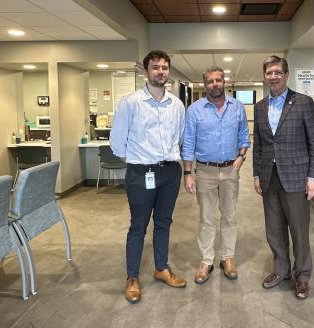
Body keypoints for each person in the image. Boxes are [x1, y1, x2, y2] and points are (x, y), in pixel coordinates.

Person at [110, 50, 186, 304]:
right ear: (146, 71)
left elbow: (181, 138)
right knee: (138, 226)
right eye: (155, 67)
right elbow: (117, 143)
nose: (161, 72)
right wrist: (139, 160)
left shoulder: (176, 104)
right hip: (141, 172)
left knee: (164, 222)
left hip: (169, 172)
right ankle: (132, 277)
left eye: (164, 67)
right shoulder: (130, 103)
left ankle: (161, 268)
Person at [253, 55, 314, 300]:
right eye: (269, 73)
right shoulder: (260, 107)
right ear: (265, 76)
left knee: (299, 229)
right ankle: (281, 270)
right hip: (269, 177)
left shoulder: (303, 102)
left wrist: (313, 176)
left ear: (286, 74)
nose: (273, 76)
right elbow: (259, 145)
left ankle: (302, 275)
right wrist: (256, 175)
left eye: (277, 72)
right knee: (274, 229)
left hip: (295, 176)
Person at [182, 66, 250, 284]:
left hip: (231, 170)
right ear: (205, 84)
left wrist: (241, 157)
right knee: (206, 218)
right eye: (210, 81)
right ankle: (206, 260)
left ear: (224, 82)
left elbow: (244, 136)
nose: (215, 84)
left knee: (230, 216)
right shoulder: (194, 110)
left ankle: (228, 257)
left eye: (218, 80)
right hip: (204, 171)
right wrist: (187, 173)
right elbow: (188, 143)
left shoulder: (237, 107)